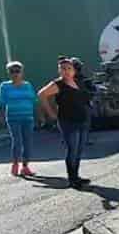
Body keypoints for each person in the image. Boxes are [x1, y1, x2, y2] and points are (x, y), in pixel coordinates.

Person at [38, 56, 92, 190]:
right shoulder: (58, 84)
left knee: (79, 150)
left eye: (69, 68)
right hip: (68, 122)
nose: (66, 71)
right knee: (72, 150)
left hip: (82, 120)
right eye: (63, 69)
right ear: (59, 71)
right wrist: (51, 113)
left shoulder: (78, 82)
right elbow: (41, 94)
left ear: (73, 71)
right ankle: (72, 179)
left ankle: (77, 176)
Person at [0, 60, 37, 177]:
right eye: (12, 71)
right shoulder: (5, 86)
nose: (15, 73)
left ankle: (25, 166)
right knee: (17, 141)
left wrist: (39, 115)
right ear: (9, 73)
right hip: (13, 118)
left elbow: (34, 101)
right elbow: (1, 102)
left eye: (17, 71)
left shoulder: (27, 85)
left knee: (28, 142)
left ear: (22, 72)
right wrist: (0, 115)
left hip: (28, 117)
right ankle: (15, 164)